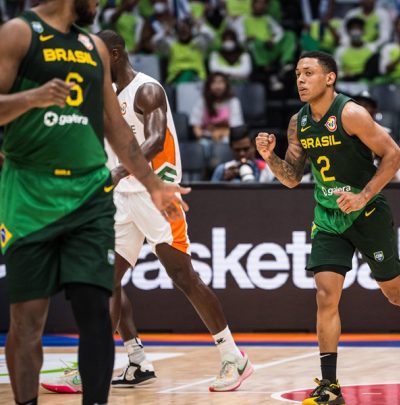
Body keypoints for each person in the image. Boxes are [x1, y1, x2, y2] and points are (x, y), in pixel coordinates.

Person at [0, 1, 189, 404]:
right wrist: (33, 98)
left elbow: (117, 130)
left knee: (98, 311)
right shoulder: (18, 33)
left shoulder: (94, 48)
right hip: (31, 194)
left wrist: (154, 184)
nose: (100, 5)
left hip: (91, 194)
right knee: (28, 320)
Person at [44, 30, 252, 395]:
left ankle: (233, 357)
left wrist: (117, 172)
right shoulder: (103, 96)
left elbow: (155, 142)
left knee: (183, 276)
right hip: (122, 197)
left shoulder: (147, 90)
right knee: (105, 280)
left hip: (156, 193)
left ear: (116, 53)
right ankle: (120, 362)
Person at [256, 51, 400, 405]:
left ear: (330, 78)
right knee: (325, 296)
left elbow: (395, 155)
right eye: (297, 74)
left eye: (308, 73)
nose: (300, 80)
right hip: (328, 217)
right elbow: (291, 178)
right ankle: (330, 385)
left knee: (395, 294)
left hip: (367, 214)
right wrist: (269, 156)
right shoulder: (298, 122)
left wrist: (364, 196)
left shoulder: (350, 113)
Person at [190, 72, 245, 152]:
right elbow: (196, 125)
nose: (218, 86)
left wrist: (219, 133)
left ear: (226, 85)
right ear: (209, 86)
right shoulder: (202, 101)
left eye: (221, 82)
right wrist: (202, 135)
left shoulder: (233, 101)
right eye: (214, 82)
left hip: (226, 137)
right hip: (207, 137)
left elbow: (235, 128)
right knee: (202, 146)